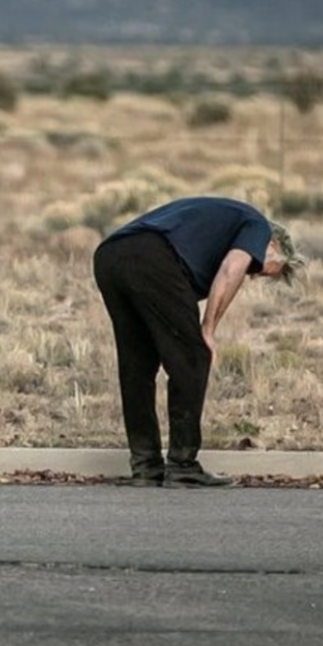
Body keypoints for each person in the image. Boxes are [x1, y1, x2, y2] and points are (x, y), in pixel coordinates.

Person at [92, 196, 303, 488]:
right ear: (272, 246)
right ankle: (182, 466)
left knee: (137, 366)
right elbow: (231, 270)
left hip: (110, 256)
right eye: (259, 269)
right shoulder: (258, 227)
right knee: (193, 357)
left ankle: (146, 467)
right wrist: (208, 330)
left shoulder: (218, 228)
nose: (253, 275)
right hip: (150, 256)